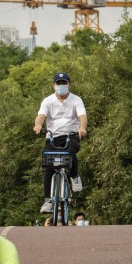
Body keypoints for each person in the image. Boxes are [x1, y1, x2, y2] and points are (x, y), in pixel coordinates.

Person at [34, 72, 87, 214]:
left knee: (69, 152)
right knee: (48, 165)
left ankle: (74, 176)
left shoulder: (76, 100)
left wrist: (82, 128)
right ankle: (48, 200)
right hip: (52, 137)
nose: (61, 86)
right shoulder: (48, 101)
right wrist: (38, 125)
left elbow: (82, 116)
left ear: (69, 84)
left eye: (64, 83)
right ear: (54, 85)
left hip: (71, 136)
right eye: (59, 83)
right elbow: (41, 116)